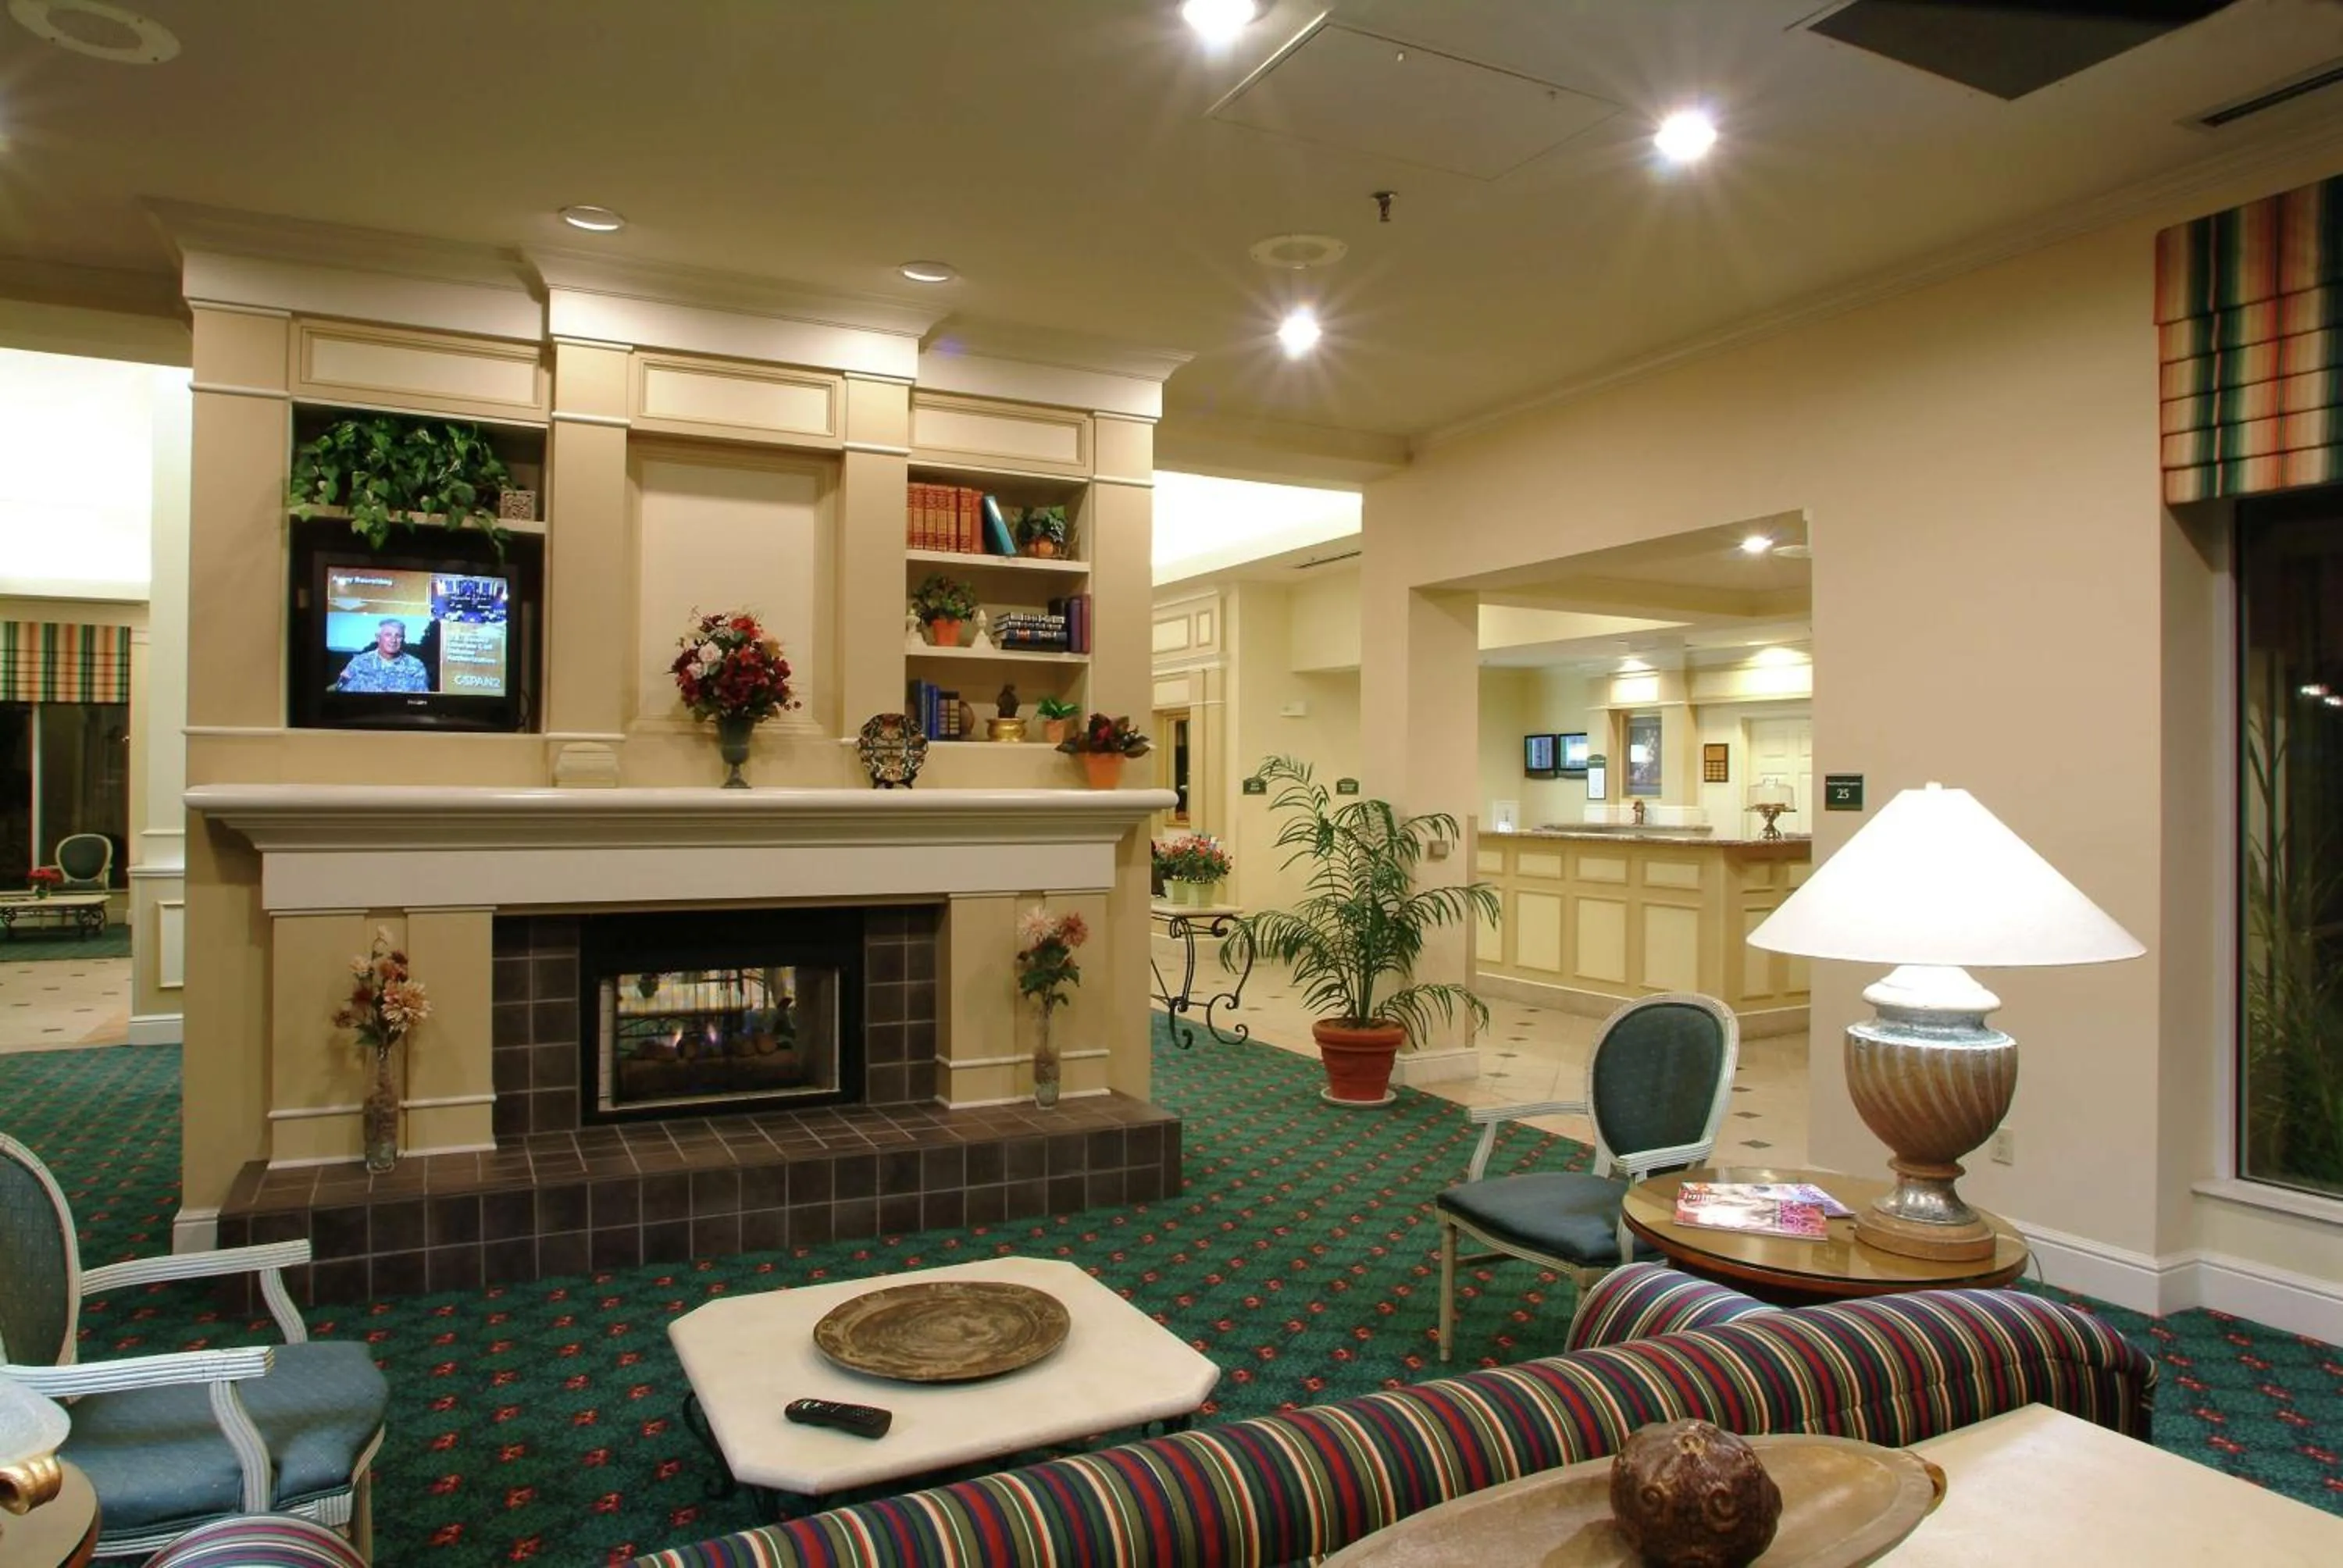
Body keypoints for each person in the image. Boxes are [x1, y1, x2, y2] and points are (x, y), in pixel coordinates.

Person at [333, 618, 430, 692]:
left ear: (403, 639)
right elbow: (342, 694)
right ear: (378, 638)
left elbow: (420, 700)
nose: (393, 640)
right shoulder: (358, 663)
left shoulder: (416, 666)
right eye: (388, 635)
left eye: (398, 636)